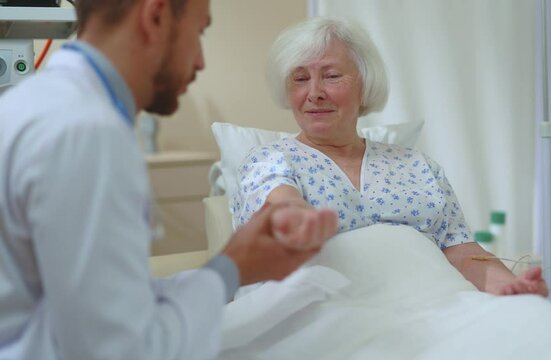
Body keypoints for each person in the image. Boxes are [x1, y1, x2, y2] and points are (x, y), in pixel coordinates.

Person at [0, 1, 338, 359]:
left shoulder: (31, 106)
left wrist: (231, 266)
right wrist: (233, 268)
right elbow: (122, 349)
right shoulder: (89, 133)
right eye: (199, 32)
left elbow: (97, 303)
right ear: (156, 16)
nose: (200, 62)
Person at [232, 17, 547, 298]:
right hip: (328, 314)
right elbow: (281, 205)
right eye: (300, 79)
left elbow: (462, 250)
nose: (314, 92)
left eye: (330, 76)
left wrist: (512, 291)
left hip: (435, 307)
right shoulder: (270, 159)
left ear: (365, 83)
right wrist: (297, 219)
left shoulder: (419, 167)